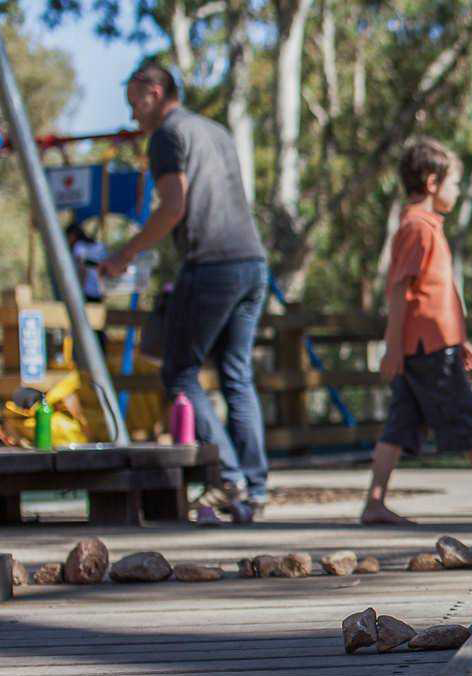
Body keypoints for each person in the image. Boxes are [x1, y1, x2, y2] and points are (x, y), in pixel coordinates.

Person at [102, 62, 270, 523]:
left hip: (212, 263)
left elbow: (173, 207)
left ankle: (229, 478)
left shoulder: (166, 136)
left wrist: (124, 254)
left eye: (135, 103)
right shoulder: (215, 130)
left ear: (154, 92)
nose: (133, 115)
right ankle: (255, 488)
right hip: (253, 263)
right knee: (236, 375)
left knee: (179, 372)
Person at [360, 138, 472, 525]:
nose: (457, 191)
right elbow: (400, 291)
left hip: (433, 344)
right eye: (455, 183)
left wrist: (458, 339)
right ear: (432, 182)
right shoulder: (418, 228)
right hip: (427, 348)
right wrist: (392, 347)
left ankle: (375, 502)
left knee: (400, 424)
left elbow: (435, 294)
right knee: (466, 417)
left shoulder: (426, 227)